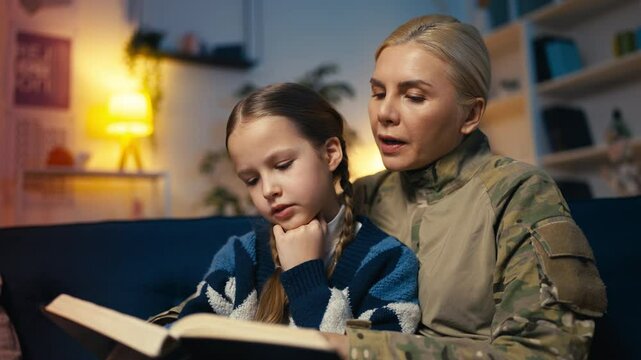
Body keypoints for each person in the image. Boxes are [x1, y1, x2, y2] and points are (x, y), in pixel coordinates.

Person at [326, 14, 607, 359]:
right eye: (377, 92)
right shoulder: (361, 194)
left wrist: (366, 350)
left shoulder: (520, 192)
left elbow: (545, 351)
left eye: (413, 96)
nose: (384, 113)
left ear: (470, 115)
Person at [151, 83, 420, 335]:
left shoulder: (390, 264)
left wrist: (305, 273)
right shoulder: (241, 255)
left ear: (330, 154)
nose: (268, 190)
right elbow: (189, 331)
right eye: (252, 180)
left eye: (282, 165)